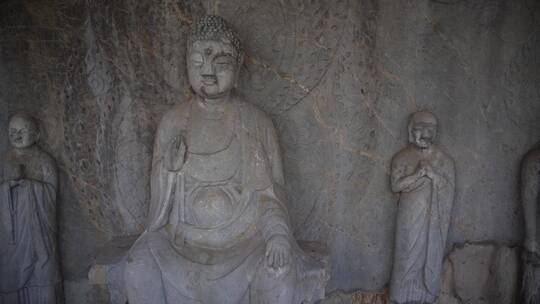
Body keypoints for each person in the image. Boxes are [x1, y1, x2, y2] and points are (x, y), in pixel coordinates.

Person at [124, 15, 325, 304]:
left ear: (239, 68)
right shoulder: (173, 123)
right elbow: (158, 216)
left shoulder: (256, 123)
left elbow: (270, 196)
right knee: (138, 265)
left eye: (221, 63)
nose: (208, 73)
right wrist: (168, 170)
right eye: (197, 62)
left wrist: (278, 236)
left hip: (245, 244)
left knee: (278, 272)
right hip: (182, 243)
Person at [389, 111, 456, 304]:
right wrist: (418, 175)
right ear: (411, 131)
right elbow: (395, 186)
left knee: (429, 255)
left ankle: (426, 296)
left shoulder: (444, 161)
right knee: (406, 256)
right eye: (420, 128)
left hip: (433, 220)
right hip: (409, 217)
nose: (425, 134)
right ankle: (401, 297)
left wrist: (434, 175)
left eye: (430, 129)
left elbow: (449, 189)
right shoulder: (401, 158)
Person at [0, 113, 60, 304]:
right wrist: (8, 187)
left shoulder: (45, 161)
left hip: (40, 236)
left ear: (36, 134)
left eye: (22, 131)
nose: (16, 136)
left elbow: (52, 197)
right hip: (12, 237)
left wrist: (30, 186)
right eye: (12, 132)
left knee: (44, 276)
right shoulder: (3, 162)